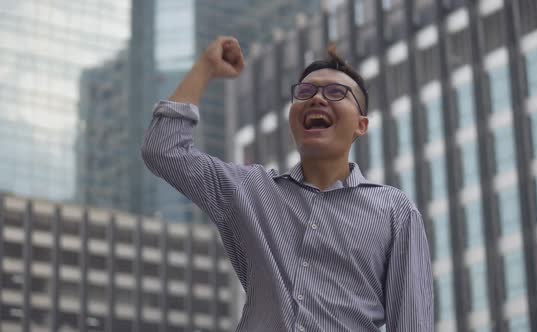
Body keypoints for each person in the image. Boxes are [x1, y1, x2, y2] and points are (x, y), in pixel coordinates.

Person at [142, 36, 433, 331]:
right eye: (305, 92)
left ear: (361, 124)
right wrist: (204, 68)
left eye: (336, 92)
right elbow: (163, 150)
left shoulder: (394, 210)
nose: (317, 98)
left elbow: (413, 322)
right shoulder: (248, 190)